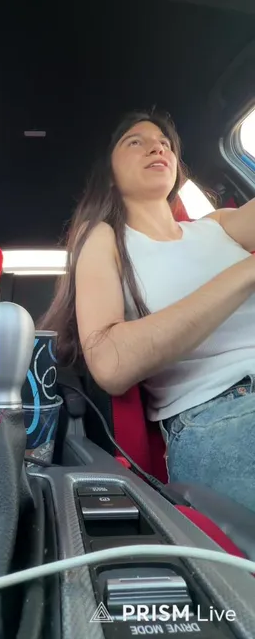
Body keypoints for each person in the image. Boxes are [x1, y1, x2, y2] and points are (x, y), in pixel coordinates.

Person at [40, 110, 255, 511]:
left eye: (165, 143)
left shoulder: (220, 225)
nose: (157, 147)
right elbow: (109, 362)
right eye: (135, 142)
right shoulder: (104, 237)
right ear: (109, 174)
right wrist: (246, 272)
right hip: (220, 411)